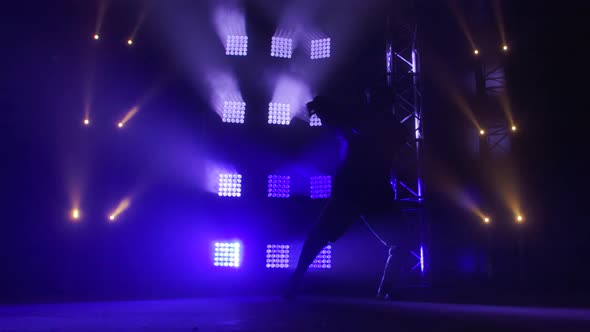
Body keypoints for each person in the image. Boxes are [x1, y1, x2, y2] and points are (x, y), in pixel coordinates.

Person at [284, 87, 408, 298]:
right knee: (319, 236)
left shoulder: (375, 124)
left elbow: (349, 123)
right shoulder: (385, 126)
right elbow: (344, 122)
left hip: (361, 191)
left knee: (320, 236)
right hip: (364, 191)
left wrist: (325, 108)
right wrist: (325, 109)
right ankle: (295, 281)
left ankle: (295, 281)